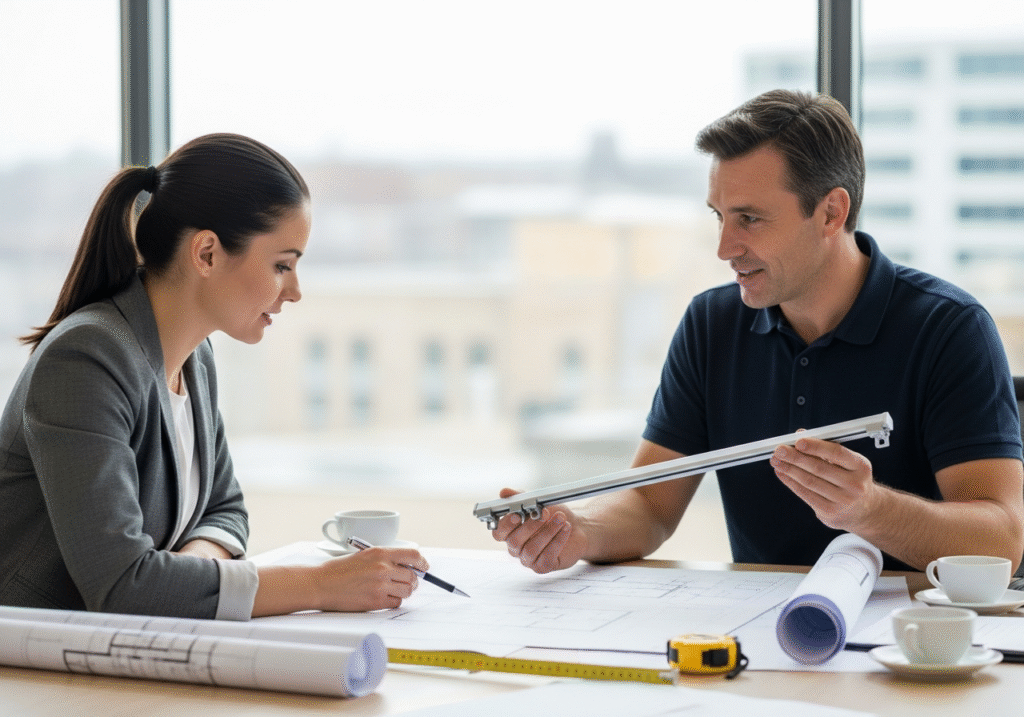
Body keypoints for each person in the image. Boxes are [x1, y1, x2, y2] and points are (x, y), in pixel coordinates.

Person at [492, 89, 1024, 575]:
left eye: (749, 219)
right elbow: (651, 506)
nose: (724, 248)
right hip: (760, 638)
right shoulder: (711, 324)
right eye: (718, 216)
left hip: (909, 645)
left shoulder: (950, 328)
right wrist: (578, 531)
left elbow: (1001, 540)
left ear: (831, 212)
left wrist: (870, 509)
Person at [0, 133, 427, 620]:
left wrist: (181, 575)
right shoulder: (86, 359)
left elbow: (226, 510)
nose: (295, 292)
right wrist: (319, 586)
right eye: (282, 265)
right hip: (31, 676)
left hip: (127, 656)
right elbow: (121, 586)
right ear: (205, 253)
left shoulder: (194, 358)